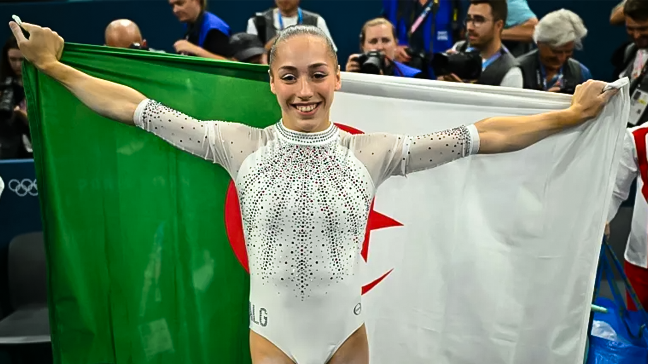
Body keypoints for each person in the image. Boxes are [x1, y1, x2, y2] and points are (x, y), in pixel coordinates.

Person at [8, 19, 616, 364]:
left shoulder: (372, 153)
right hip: (272, 339)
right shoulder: (235, 144)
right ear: (271, 83)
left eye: (318, 75)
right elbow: (135, 109)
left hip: (347, 338)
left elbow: (481, 135)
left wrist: (566, 117)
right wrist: (55, 67)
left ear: (337, 79)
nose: (305, 89)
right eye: (290, 76)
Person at [607, 124, 648, 311]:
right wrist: (602, 220)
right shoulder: (638, 137)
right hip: (642, 261)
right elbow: (614, 191)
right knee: (639, 331)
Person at [445, 0, 523, 87]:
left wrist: (463, 91)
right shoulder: (458, 48)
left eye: (478, 20)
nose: (470, 27)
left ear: (499, 25)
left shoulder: (511, 73)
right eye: (468, 19)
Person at [516, 9, 592, 94]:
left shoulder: (581, 73)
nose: (561, 58)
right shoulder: (518, 71)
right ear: (539, 43)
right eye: (556, 51)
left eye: (568, 51)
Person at [246, 0, 336, 52]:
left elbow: (331, 55)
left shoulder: (316, 21)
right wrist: (268, 48)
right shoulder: (257, 22)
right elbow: (251, 60)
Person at [345, 18, 422, 78]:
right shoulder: (355, 73)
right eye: (373, 41)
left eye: (385, 40)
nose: (380, 47)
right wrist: (349, 79)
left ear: (396, 44)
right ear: (362, 46)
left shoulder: (413, 77)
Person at [0, 35, 30, 160]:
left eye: (21, 60)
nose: (17, 65)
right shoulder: (2, 82)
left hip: (33, 147)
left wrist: (27, 118)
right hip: (6, 147)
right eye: (12, 59)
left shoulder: (41, 85)